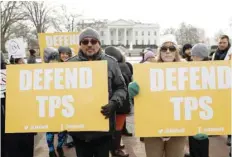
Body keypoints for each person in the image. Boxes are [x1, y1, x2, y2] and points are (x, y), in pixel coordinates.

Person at [67, 27, 127, 157]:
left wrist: (114, 103)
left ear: (99, 43)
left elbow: (121, 88)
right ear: (80, 45)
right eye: (85, 41)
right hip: (79, 130)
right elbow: (60, 92)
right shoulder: (69, 64)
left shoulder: (111, 63)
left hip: (103, 128)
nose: (89, 44)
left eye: (93, 41)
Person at [128, 36, 186, 157]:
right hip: (153, 126)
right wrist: (133, 89)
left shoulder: (187, 69)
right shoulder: (147, 69)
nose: (168, 51)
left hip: (178, 125)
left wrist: (199, 125)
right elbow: (140, 96)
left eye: (172, 48)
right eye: (164, 48)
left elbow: (194, 94)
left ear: (176, 51)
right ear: (159, 51)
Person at [4, 56, 35, 157]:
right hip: (12, 123)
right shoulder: (6, 75)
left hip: (25, 121)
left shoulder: (28, 76)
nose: (23, 62)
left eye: (23, 60)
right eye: (21, 61)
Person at [105, 46, 131, 157]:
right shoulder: (126, 66)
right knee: (118, 128)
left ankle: (114, 148)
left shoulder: (108, 66)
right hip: (123, 102)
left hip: (110, 102)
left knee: (111, 128)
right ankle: (115, 148)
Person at [44, 49, 67, 157]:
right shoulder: (42, 73)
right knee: (49, 130)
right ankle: (51, 150)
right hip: (49, 106)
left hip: (63, 105)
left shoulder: (65, 73)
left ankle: (59, 147)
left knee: (63, 130)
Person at [188, 43, 210, 157]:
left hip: (203, 108)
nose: (192, 58)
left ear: (200, 56)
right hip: (194, 107)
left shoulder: (210, 70)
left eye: (194, 56)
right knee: (193, 137)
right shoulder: (193, 68)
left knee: (201, 141)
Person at [211, 35, 232, 148]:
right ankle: (216, 129)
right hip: (218, 85)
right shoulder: (215, 54)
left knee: (230, 111)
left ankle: (230, 134)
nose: (222, 44)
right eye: (220, 42)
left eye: (224, 42)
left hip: (229, 85)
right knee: (218, 108)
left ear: (228, 43)